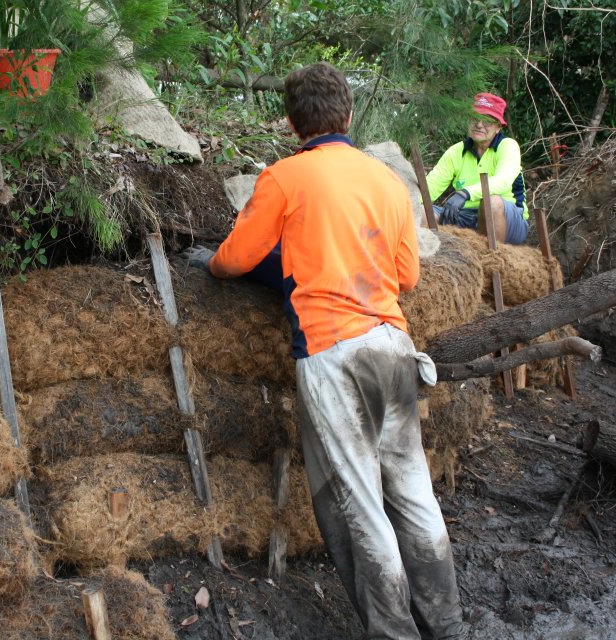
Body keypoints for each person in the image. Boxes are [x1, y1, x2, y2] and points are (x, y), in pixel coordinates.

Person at [182, 62, 466, 640]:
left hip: (334, 354)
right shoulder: (386, 182)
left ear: (292, 124)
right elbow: (407, 275)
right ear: (350, 115)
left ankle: (393, 634)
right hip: (393, 345)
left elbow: (235, 259)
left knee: (362, 508)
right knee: (413, 493)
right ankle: (448, 625)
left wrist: (208, 263)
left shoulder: (286, 177)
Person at [426, 92, 530, 244]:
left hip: (507, 219)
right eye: (475, 118)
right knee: (421, 213)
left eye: (487, 121)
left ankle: (495, 262)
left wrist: (465, 193)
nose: (479, 125)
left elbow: (503, 181)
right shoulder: (457, 151)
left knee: (491, 202)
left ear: (498, 127)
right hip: (463, 216)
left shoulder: (508, 146)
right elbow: (429, 188)